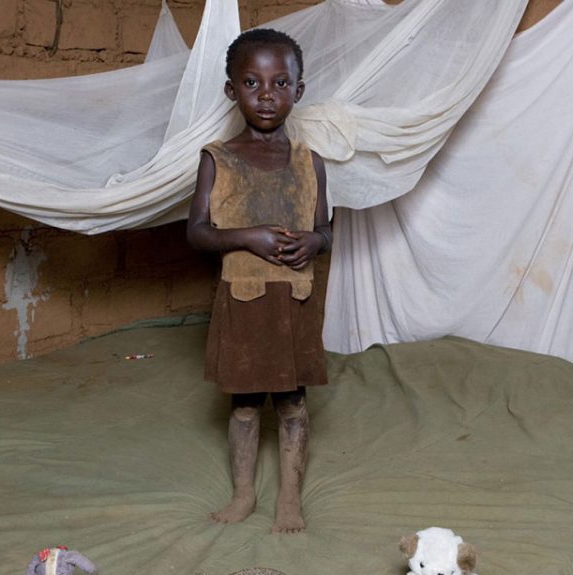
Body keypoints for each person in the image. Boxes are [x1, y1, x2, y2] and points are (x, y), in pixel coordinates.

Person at [187, 28, 331, 534]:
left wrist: (315, 242)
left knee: (293, 401)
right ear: (231, 90)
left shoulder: (310, 163)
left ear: (299, 90)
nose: (266, 94)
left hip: (294, 301)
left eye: (279, 82)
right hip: (243, 301)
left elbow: (326, 230)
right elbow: (197, 233)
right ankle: (244, 492)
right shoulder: (217, 158)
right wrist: (248, 237)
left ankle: (289, 496)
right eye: (251, 81)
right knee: (245, 404)